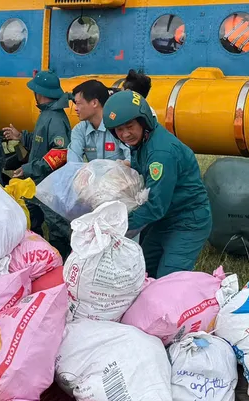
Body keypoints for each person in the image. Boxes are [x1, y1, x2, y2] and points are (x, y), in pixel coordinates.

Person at [103, 90, 211, 277]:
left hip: (187, 221)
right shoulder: (142, 142)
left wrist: (115, 226)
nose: (125, 134)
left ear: (143, 122)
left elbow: (155, 206)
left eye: (129, 126)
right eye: (119, 130)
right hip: (164, 220)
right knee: (141, 273)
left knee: (167, 281)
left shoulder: (161, 154)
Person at [2, 71, 72, 253]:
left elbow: (60, 153)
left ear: (39, 93)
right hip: (38, 182)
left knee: (58, 229)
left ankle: (62, 262)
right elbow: (41, 141)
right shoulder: (47, 114)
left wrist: (29, 168)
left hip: (50, 185)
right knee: (31, 221)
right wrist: (22, 136)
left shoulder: (55, 118)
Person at [68, 80, 130, 163]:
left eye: (78, 103)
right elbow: (73, 163)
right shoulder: (79, 130)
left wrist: (122, 165)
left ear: (94, 103)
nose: (75, 108)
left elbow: (132, 158)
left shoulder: (118, 125)